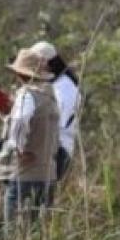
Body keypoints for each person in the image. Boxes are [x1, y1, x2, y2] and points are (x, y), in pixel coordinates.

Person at [0, 49, 60, 229]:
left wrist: (18, 148)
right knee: (38, 229)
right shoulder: (51, 97)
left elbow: (21, 121)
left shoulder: (26, 95)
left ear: (19, 74)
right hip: (47, 172)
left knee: (15, 228)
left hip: (26, 173)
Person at [30, 41, 81, 194]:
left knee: (41, 197)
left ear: (44, 62)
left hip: (57, 149)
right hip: (48, 147)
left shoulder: (64, 86)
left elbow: (58, 119)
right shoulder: (53, 85)